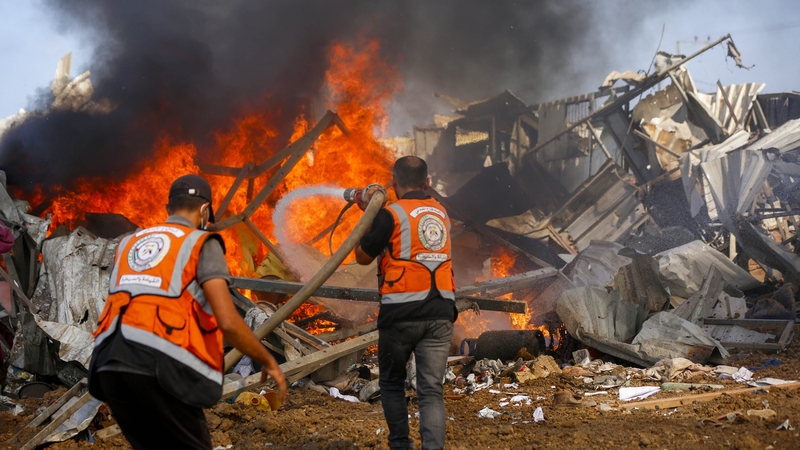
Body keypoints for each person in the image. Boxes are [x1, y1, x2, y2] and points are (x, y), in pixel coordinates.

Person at [88, 174, 287, 450]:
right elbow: (228, 321)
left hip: (109, 364)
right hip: (156, 365)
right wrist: (266, 358)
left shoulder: (128, 243)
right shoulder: (201, 243)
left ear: (168, 208)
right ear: (205, 210)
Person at [355, 156, 458, 450]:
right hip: (440, 312)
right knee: (430, 391)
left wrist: (369, 217)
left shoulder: (391, 213)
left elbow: (362, 257)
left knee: (391, 383)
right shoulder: (442, 214)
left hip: (401, 312)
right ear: (427, 183)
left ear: (393, 183)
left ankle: (401, 445)